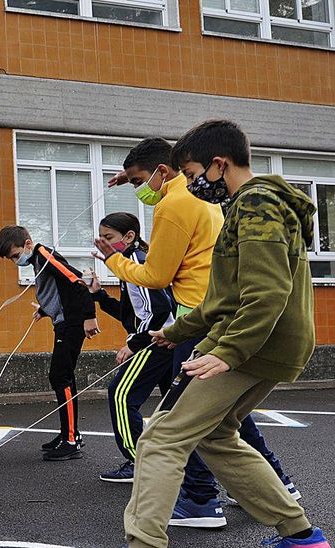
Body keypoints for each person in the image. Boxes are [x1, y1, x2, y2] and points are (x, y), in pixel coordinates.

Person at [124, 120, 328, 548]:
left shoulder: (256, 205)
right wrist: (173, 332)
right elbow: (225, 297)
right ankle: (301, 535)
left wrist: (229, 353)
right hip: (270, 342)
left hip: (253, 343)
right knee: (215, 434)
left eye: (195, 175)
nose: (194, 185)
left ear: (220, 164)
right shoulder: (250, 206)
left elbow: (268, 292)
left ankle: (143, 542)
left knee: (161, 438)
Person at [85, 213, 175, 483]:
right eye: (102, 238)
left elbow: (161, 309)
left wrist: (135, 344)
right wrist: (98, 295)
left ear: (129, 237)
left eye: (109, 238)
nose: (105, 243)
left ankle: (138, 462)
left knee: (121, 396)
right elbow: (131, 315)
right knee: (179, 408)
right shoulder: (128, 265)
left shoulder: (137, 262)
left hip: (157, 343)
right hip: (165, 342)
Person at [0, 225, 99, 462]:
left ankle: (71, 440)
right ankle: (69, 434)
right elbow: (59, 289)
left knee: (59, 376)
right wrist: (45, 309)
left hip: (72, 324)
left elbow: (76, 283)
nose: (16, 261)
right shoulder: (38, 259)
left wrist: (89, 316)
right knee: (64, 377)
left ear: (28, 244)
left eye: (15, 255)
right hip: (64, 322)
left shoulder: (44, 255)